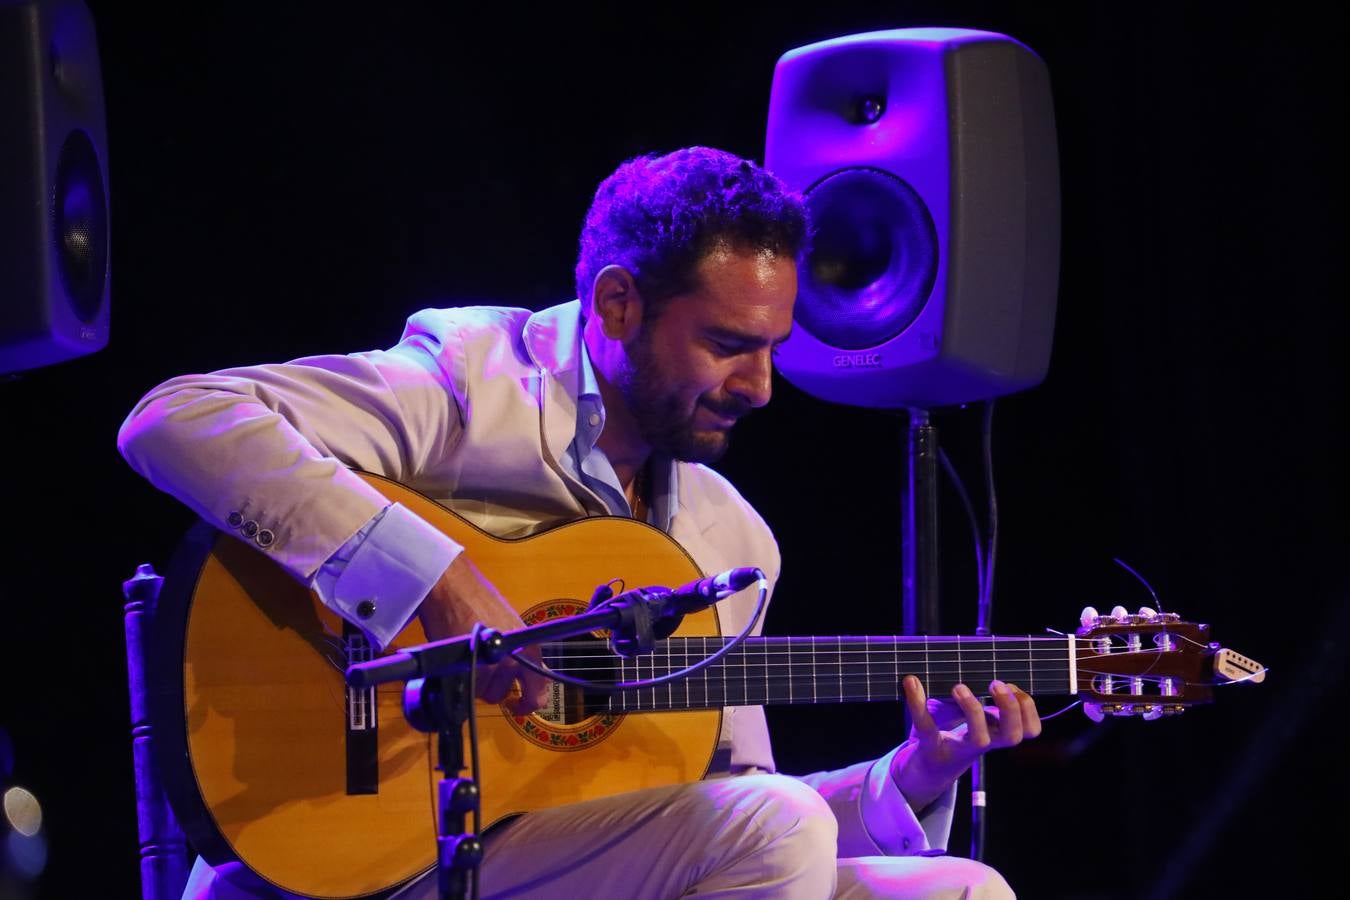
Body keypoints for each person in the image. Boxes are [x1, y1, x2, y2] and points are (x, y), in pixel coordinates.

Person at [119, 147, 1041, 899]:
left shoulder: (735, 542)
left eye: (772, 350)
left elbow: (735, 816)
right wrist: (434, 579)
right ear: (616, 304)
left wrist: (912, 777)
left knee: (961, 890)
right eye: (727, 345)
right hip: (347, 849)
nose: (760, 388)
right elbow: (174, 421)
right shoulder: (472, 385)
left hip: (552, 863)